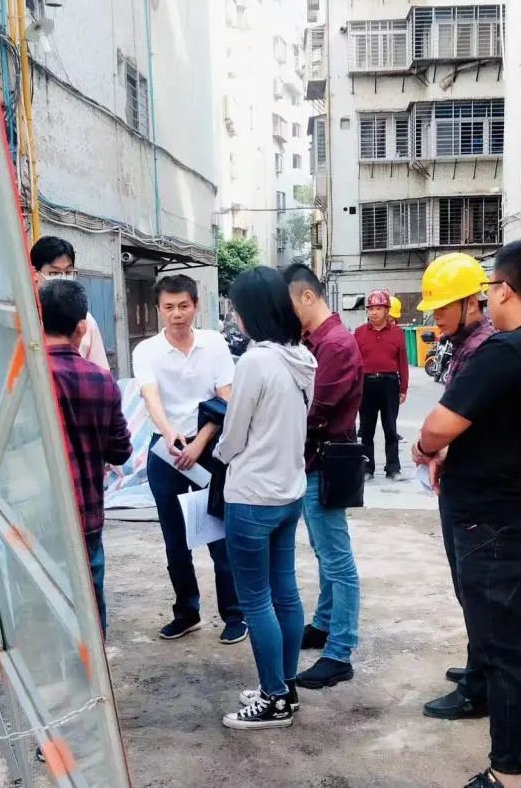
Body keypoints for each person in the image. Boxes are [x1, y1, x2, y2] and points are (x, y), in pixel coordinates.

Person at [412, 240, 521, 788]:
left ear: (505, 290)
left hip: (502, 521)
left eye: (490, 290)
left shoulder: (506, 350)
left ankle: (507, 776)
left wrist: (424, 448)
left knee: (506, 648)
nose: (489, 299)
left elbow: (438, 427)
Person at [216, 267, 316, 730]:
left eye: (236, 309)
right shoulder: (302, 357)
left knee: (256, 601)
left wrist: (218, 453)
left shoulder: (255, 362)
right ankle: (285, 686)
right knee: (285, 593)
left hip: (252, 496)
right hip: (289, 492)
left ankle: (273, 698)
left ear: (251, 312)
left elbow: (234, 434)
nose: (234, 317)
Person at [132, 274, 245, 643]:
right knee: (175, 538)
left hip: (208, 449)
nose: (176, 314)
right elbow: (150, 396)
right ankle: (186, 612)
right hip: (166, 450)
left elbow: (226, 399)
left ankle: (234, 614)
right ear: (159, 310)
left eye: (183, 306)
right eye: (168, 307)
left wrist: (201, 442)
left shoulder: (213, 344)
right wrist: (169, 434)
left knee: (218, 534)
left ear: (196, 306)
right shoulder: (146, 351)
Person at [415, 253, 495, 722]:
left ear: (471, 302)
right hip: (461, 479)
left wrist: (428, 447)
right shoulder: (462, 346)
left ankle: (480, 688)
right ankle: (478, 663)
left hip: (479, 492)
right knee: (467, 586)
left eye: (443, 307)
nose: (436, 317)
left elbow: (452, 423)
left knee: (477, 588)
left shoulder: (486, 351)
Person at [284, 264, 363, 689]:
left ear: (307, 297)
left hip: (326, 461)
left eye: (288, 305)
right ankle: (324, 623)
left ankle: (340, 651)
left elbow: (317, 411)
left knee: (337, 558)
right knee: (323, 550)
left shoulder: (335, 344)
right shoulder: (315, 340)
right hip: (314, 462)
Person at [39, 279, 132, 634]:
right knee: (89, 605)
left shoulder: (23, 376)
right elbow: (120, 451)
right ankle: (92, 666)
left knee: (40, 606)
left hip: (34, 518)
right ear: (82, 328)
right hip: (85, 515)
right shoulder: (102, 381)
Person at [30, 236, 110, 370]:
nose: (63, 278)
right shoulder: (22, 318)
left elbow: (101, 371)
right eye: (54, 273)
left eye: (68, 272)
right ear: (35, 274)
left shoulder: (86, 320)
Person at [353, 290, 408, 480]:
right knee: (366, 429)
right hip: (366, 384)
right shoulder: (359, 333)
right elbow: (354, 363)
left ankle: (393, 468)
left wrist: (403, 388)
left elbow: (403, 362)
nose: (374, 312)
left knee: (390, 428)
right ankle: (367, 469)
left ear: (386, 311)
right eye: (371, 309)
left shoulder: (397, 333)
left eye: (378, 308)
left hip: (390, 384)